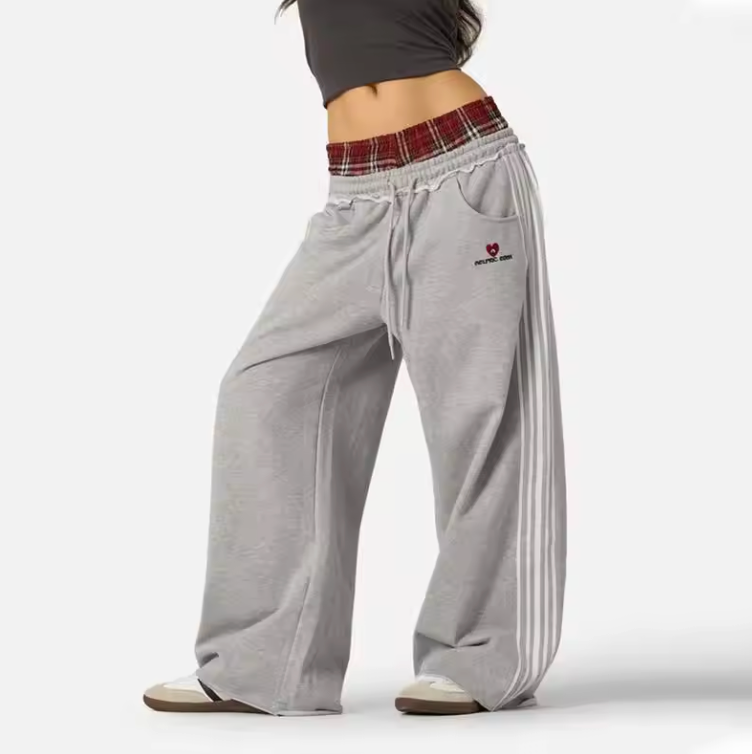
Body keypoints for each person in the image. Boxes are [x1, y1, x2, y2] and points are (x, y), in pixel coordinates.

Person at [143, 0, 566, 717]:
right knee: (265, 394)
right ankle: (265, 665)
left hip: (463, 173)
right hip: (355, 198)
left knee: (482, 416)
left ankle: (485, 657)